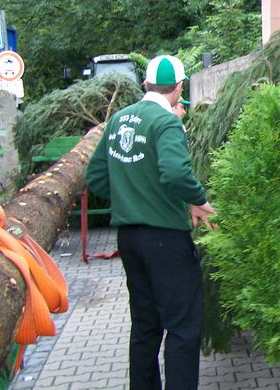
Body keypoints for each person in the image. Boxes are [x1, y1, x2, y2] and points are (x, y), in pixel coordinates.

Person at [86, 55, 216, 390]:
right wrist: (199, 200)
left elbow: (96, 177)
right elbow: (175, 173)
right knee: (183, 327)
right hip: (166, 241)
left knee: (145, 325)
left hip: (129, 239)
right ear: (179, 87)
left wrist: (133, 196)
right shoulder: (166, 121)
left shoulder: (118, 119)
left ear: (145, 84)